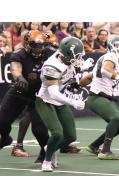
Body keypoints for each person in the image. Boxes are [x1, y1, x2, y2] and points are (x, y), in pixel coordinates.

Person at [0, 30, 54, 164]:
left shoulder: (50, 53)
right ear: (26, 43)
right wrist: (19, 77)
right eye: (34, 45)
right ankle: (5, 138)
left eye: (40, 45)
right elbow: (15, 68)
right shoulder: (19, 54)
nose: (37, 48)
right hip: (20, 90)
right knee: (2, 121)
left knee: (38, 129)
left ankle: (45, 152)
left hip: (39, 94)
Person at [35, 36, 86, 172]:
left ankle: (50, 148)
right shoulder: (52, 65)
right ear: (68, 54)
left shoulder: (67, 59)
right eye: (77, 55)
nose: (79, 59)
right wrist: (73, 102)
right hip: (45, 100)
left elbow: (68, 78)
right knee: (57, 133)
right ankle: (46, 161)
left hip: (58, 101)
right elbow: (53, 93)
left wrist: (84, 70)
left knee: (70, 136)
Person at [80, 36, 119, 160]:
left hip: (103, 97)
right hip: (97, 97)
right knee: (116, 118)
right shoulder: (110, 57)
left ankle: (93, 146)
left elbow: (92, 75)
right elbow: (105, 70)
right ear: (111, 46)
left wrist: (79, 83)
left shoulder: (109, 58)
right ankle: (105, 150)